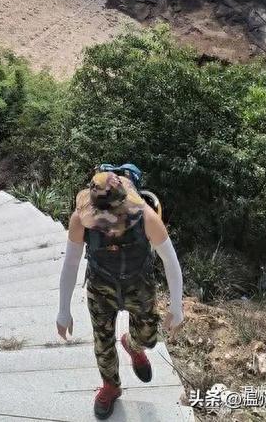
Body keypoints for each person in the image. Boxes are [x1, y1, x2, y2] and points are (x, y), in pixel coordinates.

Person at [56, 168, 184, 419]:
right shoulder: (80, 220)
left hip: (139, 284)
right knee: (103, 343)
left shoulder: (146, 217)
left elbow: (170, 260)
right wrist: (63, 310)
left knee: (149, 338)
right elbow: (70, 264)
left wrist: (176, 306)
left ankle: (133, 345)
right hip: (101, 286)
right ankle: (111, 386)